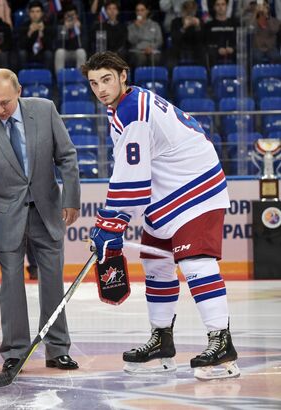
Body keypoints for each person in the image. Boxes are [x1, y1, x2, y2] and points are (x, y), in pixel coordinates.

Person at [81, 51, 240, 380]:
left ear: (124, 75)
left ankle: (221, 341)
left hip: (196, 188)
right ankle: (162, 340)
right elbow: (132, 173)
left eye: (106, 79)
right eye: (94, 83)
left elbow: (132, 180)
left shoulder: (131, 111)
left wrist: (111, 223)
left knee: (195, 262)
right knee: (156, 264)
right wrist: (112, 221)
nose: (100, 88)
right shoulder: (128, 105)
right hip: (169, 192)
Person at [0, 68, 81, 373]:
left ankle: (57, 348)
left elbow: (67, 157)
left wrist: (71, 199)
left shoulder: (45, 110)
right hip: (5, 215)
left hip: (47, 210)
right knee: (11, 283)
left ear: (19, 92)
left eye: (5, 102)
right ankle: (15, 351)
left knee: (53, 281)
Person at [17, 1, 55, 71]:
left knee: (49, 54)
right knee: (22, 53)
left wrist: (42, 33)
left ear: (42, 13)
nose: (35, 14)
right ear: (29, 13)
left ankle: (47, 78)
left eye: (37, 11)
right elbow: (21, 46)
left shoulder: (48, 26)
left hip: (42, 54)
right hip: (29, 54)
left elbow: (50, 46)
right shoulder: (24, 26)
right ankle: (24, 77)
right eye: (32, 12)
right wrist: (29, 33)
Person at [127, 0, 163, 68]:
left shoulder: (155, 25)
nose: (139, 12)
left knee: (154, 58)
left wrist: (151, 48)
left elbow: (159, 40)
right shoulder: (131, 26)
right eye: (137, 10)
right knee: (141, 58)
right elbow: (132, 41)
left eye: (142, 10)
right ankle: (139, 78)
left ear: (147, 11)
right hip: (137, 51)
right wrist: (138, 28)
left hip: (152, 50)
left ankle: (152, 79)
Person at [170, 0, 205, 67]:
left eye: (191, 11)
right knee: (172, 51)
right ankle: (171, 76)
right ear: (182, 11)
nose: (189, 13)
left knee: (203, 50)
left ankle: (204, 74)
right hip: (179, 47)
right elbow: (174, 40)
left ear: (195, 12)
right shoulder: (175, 22)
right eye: (186, 10)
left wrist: (197, 27)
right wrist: (184, 28)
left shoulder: (199, 22)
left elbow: (202, 40)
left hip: (195, 47)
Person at [54, 4, 87, 74]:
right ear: (64, 16)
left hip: (76, 52)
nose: (70, 17)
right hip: (65, 52)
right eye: (68, 15)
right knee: (59, 52)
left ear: (77, 16)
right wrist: (65, 30)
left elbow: (84, 45)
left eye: (72, 15)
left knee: (81, 52)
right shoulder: (61, 26)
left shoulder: (81, 26)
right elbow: (58, 46)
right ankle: (60, 79)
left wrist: (78, 31)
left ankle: (79, 79)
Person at [205, 0, 239, 66]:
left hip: (232, 53)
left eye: (223, 4)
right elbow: (207, 44)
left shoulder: (235, 24)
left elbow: (239, 42)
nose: (220, 7)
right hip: (215, 54)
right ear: (214, 7)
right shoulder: (208, 25)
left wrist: (233, 49)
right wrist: (217, 49)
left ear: (226, 6)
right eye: (218, 5)